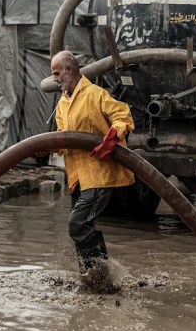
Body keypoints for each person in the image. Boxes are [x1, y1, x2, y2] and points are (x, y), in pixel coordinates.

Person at [45, 50, 135, 289]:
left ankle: (96, 272)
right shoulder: (63, 102)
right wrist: (46, 148)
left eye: (56, 73)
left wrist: (112, 137)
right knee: (83, 226)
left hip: (99, 173)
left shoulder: (96, 94)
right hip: (78, 176)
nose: (54, 78)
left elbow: (123, 115)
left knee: (77, 224)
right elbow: (66, 141)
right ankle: (97, 276)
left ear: (69, 70)